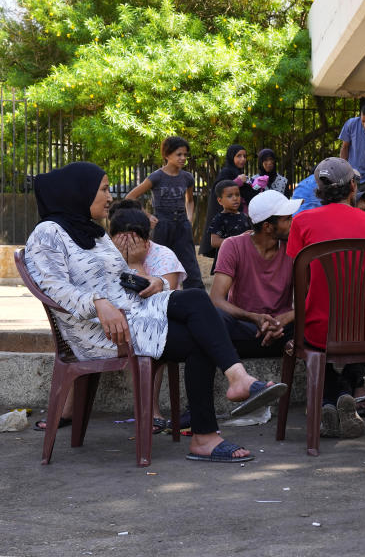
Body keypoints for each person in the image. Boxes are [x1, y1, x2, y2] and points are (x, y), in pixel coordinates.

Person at [25, 162, 288, 462]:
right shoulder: (47, 234)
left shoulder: (93, 234)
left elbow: (121, 277)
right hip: (103, 332)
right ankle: (209, 430)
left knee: (195, 300)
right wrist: (97, 302)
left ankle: (236, 382)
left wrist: (154, 281)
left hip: (132, 313)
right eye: (103, 190)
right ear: (78, 192)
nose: (110, 198)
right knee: (201, 335)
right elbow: (52, 287)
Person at [286, 157, 365, 438]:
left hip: (317, 329)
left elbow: (300, 278)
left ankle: (328, 401)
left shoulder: (302, 222)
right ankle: (343, 394)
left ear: (319, 191)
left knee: (317, 341)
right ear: (352, 187)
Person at [109, 203, 187, 431]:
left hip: (157, 324)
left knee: (152, 339)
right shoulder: (104, 255)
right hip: (117, 325)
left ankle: (150, 410)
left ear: (146, 240)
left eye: (133, 239)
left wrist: (135, 264)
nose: (127, 245)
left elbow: (165, 301)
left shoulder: (163, 256)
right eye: (121, 239)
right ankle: (68, 411)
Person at [210, 189, 301, 360]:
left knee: (317, 320)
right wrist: (253, 318)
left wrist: (284, 319)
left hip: (283, 330)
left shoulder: (294, 248)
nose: (293, 221)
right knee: (215, 318)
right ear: (267, 226)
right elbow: (216, 299)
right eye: (287, 219)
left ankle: (342, 385)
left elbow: (311, 299)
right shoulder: (233, 246)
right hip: (245, 326)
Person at [126, 136, 203, 289]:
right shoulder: (157, 176)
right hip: (162, 224)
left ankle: (196, 297)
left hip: (182, 225)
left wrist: (189, 218)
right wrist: (148, 216)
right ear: (167, 155)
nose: (183, 158)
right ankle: (156, 295)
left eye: (185, 155)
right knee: (157, 262)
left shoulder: (187, 177)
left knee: (190, 263)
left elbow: (189, 200)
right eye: (178, 154)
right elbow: (131, 197)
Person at [200, 144, 251, 258]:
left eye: (244, 156)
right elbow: (220, 189)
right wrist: (238, 181)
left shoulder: (238, 172)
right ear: (231, 157)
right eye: (239, 156)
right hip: (227, 219)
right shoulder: (226, 172)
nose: (243, 159)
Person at [205, 180, 253, 272]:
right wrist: (236, 242)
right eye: (230, 196)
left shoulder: (245, 216)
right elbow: (214, 242)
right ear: (220, 200)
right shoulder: (219, 218)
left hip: (244, 258)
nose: (235, 198)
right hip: (227, 259)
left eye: (237, 195)